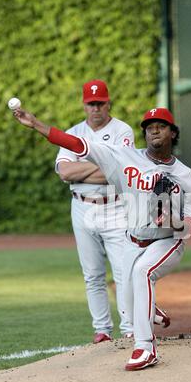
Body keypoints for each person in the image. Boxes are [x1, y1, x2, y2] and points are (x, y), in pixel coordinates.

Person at [13, 106, 191, 371]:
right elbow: (77, 144)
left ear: (173, 133)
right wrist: (36, 124)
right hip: (132, 239)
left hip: (167, 242)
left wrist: (173, 221)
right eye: (149, 127)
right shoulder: (123, 157)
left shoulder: (184, 174)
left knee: (142, 272)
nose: (154, 131)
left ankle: (146, 348)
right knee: (127, 300)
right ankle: (150, 310)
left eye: (161, 126)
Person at [55, 79, 135, 343]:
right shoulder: (73, 132)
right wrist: (101, 167)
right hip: (81, 207)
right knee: (92, 274)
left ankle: (130, 329)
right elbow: (65, 172)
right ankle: (102, 330)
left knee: (123, 271)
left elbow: (119, 174)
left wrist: (84, 169)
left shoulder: (122, 131)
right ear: (84, 104)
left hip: (115, 207)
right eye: (91, 103)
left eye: (100, 102)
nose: (96, 108)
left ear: (108, 102)